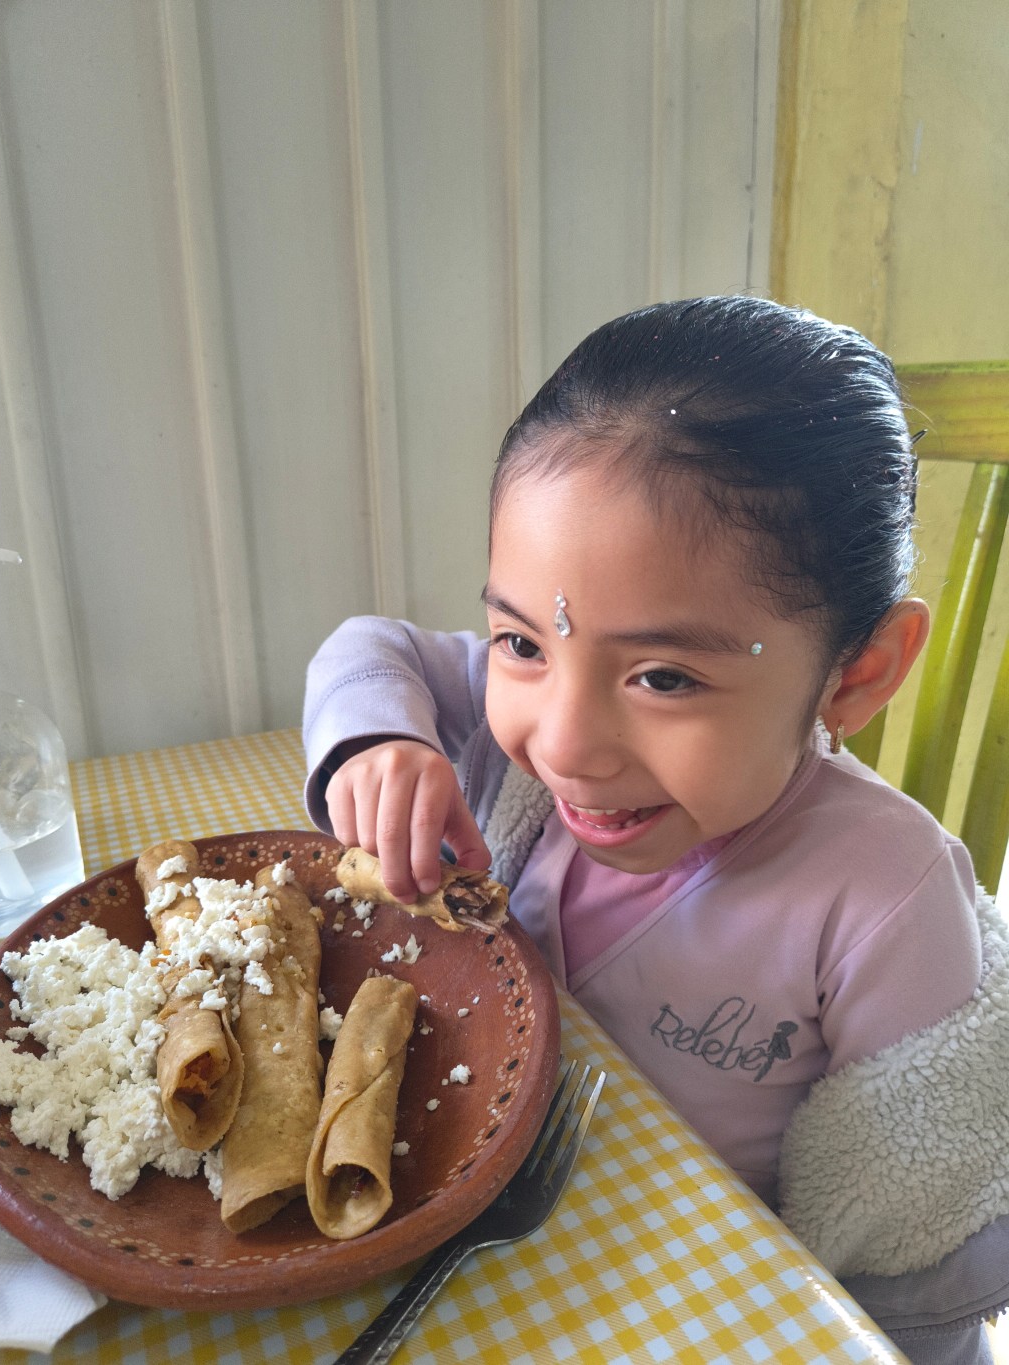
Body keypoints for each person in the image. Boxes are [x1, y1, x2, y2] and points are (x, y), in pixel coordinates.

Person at [303, 295, 1009, 1363]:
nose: (564, 742)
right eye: (520, 642)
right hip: (459, 1234)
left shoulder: (882, 895)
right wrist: (374, 745)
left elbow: (911, 1250)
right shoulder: (519, 734)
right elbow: (370, 648)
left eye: (664, 676)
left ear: (857, 673)